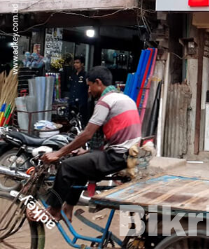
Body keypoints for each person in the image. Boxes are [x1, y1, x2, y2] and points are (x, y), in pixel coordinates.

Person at [36, 66, 141, 223]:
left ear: (98, 83)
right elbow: (117, 133)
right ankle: (68, 208)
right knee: (80, 167)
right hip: (128, 153)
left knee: (66, 166)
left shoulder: (106, 101)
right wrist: (88, 151)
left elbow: (87, 134)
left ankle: (54, 210)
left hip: (117, 156)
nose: (89, 91)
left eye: (89, 85)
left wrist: (58, 153)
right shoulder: (124, 98)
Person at [68, 56, 90, 123]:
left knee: (81, 121)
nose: (75, 64)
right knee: (72, 121)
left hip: (81, 103)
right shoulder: (73, 74)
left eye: (77, 62)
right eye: (74, 63)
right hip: (72, 102)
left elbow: (89, 88)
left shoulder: (85, 75)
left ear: (82, 64)